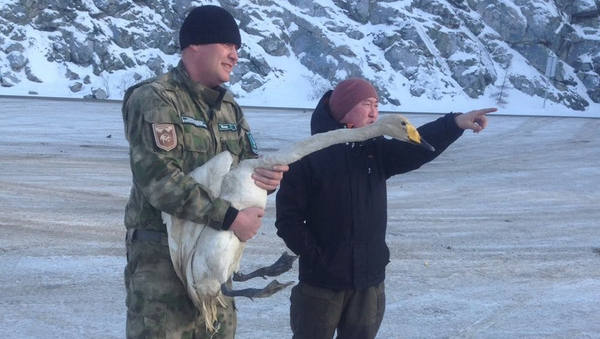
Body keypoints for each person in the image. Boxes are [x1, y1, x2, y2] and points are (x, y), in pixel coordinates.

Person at [275, 78, 496, 339]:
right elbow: (288, 219)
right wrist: (317, 258)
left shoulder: (375, 152)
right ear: (342, 110)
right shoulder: (307, 156)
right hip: (321, 285)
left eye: (377, 105)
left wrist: (455, 123)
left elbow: (416, 146)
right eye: (366, 104)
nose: (374, 112)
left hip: (369, 285)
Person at [121, 5, 288, 339]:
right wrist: (228, 217)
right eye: (228, 45)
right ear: (195, 45)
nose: (235, 55)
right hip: (163, 260)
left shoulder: (229, 108)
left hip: (215, 257)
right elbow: (160, 180)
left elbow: (247, 168)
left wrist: (266, 182)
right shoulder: (155, 99)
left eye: (238, 49)